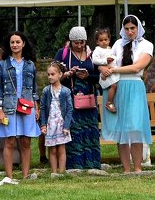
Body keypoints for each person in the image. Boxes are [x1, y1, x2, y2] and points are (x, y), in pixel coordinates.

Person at [100, 15, 153, 173]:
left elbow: (137, 67)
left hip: (135, 86)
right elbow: (106, 62)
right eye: (127, 28)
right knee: (121, 127)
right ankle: (126, 169)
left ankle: (137, 168)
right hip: (118, 86)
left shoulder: (147, 45)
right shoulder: (118, 44)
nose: (130, 32)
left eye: (133, 28)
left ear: (138, 28)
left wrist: (113, 69)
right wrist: (103, 70)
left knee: (135, 127)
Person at [0, 31, 41, 185]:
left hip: (27, 106)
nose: (15, 45)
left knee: (26, 141)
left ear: (23, 44)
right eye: (12, 42)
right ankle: (9, 176)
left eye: (18, 42)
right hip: (8, 107)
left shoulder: (30, 65)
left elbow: (34, 89)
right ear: (9, 45)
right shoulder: (2, 65)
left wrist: (37, 107)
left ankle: (25, 176)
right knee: (10, 141)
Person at [54, 27, 102, 173]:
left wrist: (88, 76)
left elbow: (100, 78)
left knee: (89, 130)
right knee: (73, 130)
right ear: (70, 41)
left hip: (88, 99)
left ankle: (92, 163)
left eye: (82, 42)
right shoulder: (62, 54)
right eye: (76, 43)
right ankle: (75, 164)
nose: (80, 46)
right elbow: (53, 75)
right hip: (70, 98)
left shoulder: (92, 55)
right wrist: (68, 74)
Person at [40, 61, 73, 177]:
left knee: (61, 148)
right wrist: (43, 125)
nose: (50, 77)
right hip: (50, 123)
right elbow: (43, 108)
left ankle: (62, 171)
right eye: (48, 74)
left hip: (61, 123)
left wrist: (67, 126)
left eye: (52, 74)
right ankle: (54, 172)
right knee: (52, 149)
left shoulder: (66, 91)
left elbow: (69, 109)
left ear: (60, 74)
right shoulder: (46, 91)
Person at [92, 29, 119, 114]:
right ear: (97, 42)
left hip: (112, 71)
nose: (103, 42)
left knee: (117, 86)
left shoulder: (110, 49)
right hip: (105, 73)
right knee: (114, 86)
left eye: (105, 40)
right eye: (101, 40)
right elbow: (94, 60)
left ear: (109, 40)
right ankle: (109, 102)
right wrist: (105, 61)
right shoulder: (97, 50)